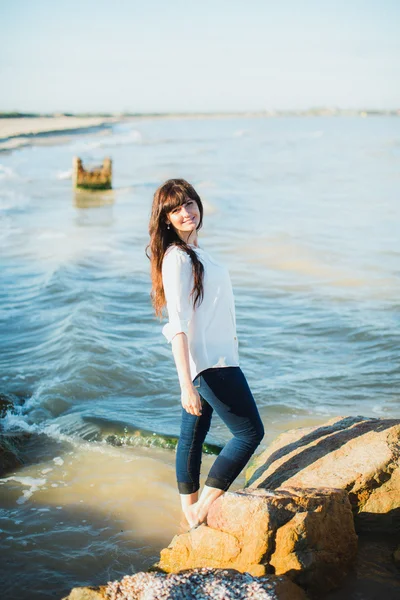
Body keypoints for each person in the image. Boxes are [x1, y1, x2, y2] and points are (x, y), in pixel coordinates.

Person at [147, 178, 264, 529]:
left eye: (190, 204)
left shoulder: (197, 254)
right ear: (166, 219)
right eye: (176, 209)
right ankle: (201, 511)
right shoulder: (177, 259)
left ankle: (188, 513)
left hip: (215, 360)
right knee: (249, 434)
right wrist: (186, 383)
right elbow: (177, 324)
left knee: (192, 436)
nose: (186, 212)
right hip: (212, 364)